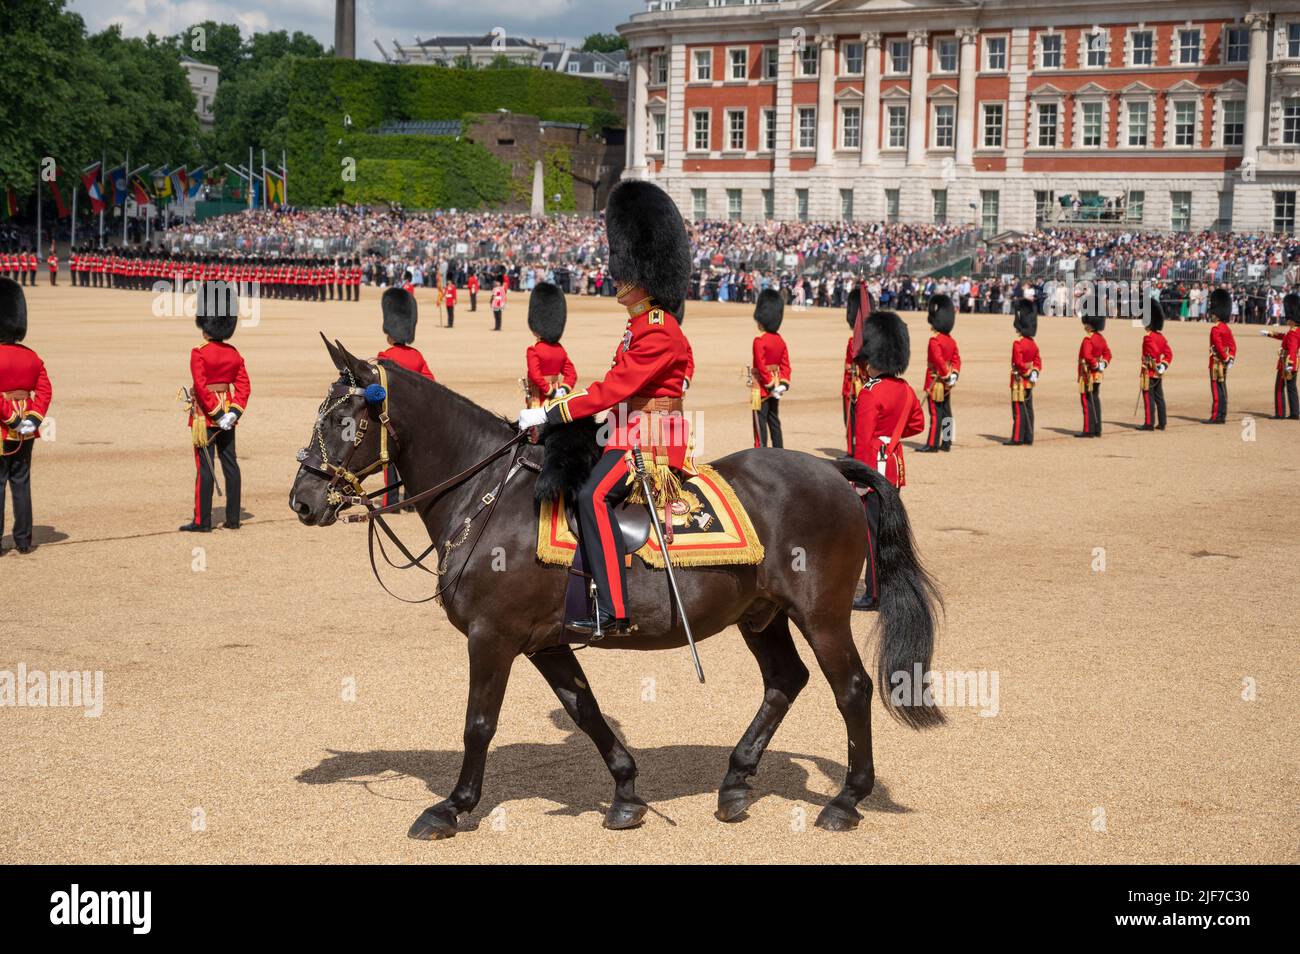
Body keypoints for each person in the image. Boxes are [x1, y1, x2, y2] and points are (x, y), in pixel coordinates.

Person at [516, 181, 693, 637]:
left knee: (592, 495)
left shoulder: (657, 329)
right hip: (626, 429)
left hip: (650, 439)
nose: (617, 277)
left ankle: (614, 608)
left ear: (643, 273)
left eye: (624, 270)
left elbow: (614, 388)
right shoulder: (643, 326)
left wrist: (551, 413)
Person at [850, 309, 923, 612]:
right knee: (890, 533)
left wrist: (860, 481)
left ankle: (875, 593)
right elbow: (917, 425)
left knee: (873, 537)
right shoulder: (905, 390)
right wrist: (889, 437)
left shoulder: (870, 393)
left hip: (874, 471)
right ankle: (892, 588)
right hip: (894, 466)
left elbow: (864, 440)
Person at [181, 281, 250, 533]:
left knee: (205, 467)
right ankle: (233, 519)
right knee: (231, 465)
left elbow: (200, 387)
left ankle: (202, 521)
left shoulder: (198, 352)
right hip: (228, 417)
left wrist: (218, 415)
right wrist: (232, 412)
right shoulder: (233, 353)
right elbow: (244, 386)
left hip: (204, 417)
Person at [0, 278, 52, 555]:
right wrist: (29, 420)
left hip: (2, 428)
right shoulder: (32, 357)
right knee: (21, 482)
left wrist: (11, 419)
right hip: (27, 430)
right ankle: (23, 539)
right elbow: (45, 390)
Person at [375, 287, 433, 508]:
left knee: (390, 459)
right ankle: (410, 500)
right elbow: (430, 382)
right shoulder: (417, 356)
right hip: (415, 416)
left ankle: (392, 500)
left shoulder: (385, 356)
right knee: (410, 458)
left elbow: (380, 385)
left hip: (393, 414)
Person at [524, 282, 577, 414]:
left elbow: (535, 376)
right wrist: (563, 390)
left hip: (538, 398)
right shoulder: (560, 350)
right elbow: (572, 374)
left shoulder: (534, 350)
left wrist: (549, 391)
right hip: (557, 400)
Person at [917, 293, 960, 453]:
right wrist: (953, 375)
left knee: (935, 413)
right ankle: (946, 442)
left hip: (935, 381)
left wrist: (945, 375)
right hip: (947, 383)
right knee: (946, 412)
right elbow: (956, 359)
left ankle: (933, 444)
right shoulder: (951, 340)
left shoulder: (934, 340)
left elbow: (938, 360)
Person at [751, 287, 790, 448]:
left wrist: (768, 384)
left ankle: (760, 452)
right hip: (776, 385)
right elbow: (785, 364)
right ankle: (778, 450)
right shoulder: (780, 340)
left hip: (761, 387)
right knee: (774, 420)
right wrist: (781, 384)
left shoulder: (759, 340)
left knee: (759, 421)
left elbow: (760, 364)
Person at [1006, 299, 1041, 446]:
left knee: (1018, 410)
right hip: (1029, 380)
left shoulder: (1018, 343)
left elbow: (1018, 363)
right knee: (1028, 408)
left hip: (1019, 380)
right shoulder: (1033, 343)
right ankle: (1028, 436)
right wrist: (1034, 372)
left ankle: (1017, 437)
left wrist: (1025, 372)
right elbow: (1038, 361)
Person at [1263, 292, 1299, 420]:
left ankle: (1280, 413)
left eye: (1288, 318)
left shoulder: (1294, 332)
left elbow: (1293, 349)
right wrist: (1270, 334)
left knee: (1279, 387)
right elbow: (1284, 337)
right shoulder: (1295, 331)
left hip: (1286, 363)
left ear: (1292, 319)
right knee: (1291, 388)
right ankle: (1295, 412)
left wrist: (1289, 364)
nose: (1286, 319)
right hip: (1293, 364)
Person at [1139, 299, 1173, 431]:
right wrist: (1162, 365)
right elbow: (1168, 354)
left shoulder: (1148, 337)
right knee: (1159, 398)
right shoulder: (1161, 337)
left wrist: (1151, 362)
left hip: (1149, 372)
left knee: (1148, 398)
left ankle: (1149, 423)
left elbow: (1152, 353)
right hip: (1159, 371)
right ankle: (1162, 422)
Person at [1077, 312, 1111, 438]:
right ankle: (1097, 428)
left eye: (1086, 324)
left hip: (1087, 373)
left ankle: (1088, 430)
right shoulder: (1100, 338)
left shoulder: (1088, 339)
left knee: (1086, 401)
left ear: (1090, 326)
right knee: (1095, 399)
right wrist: (1102, 364)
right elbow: (1108, 354)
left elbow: (1087, 355)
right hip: (1097, 374)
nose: (1085, 326)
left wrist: (1094, 364)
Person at [1206, 288, 1236, 424]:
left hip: (1216, 362)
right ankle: (1222, 414)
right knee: (1223, 387)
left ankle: (1216, 416)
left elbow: (1218, 345)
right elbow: (1233, 346)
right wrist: (1230, 359)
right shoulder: (1226, 328)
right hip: (1224, 363)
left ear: (1216, 314)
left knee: (1216, 389)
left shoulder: (1216, 329)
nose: (1211, 316)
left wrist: (1223, 357)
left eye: (1213, 313)